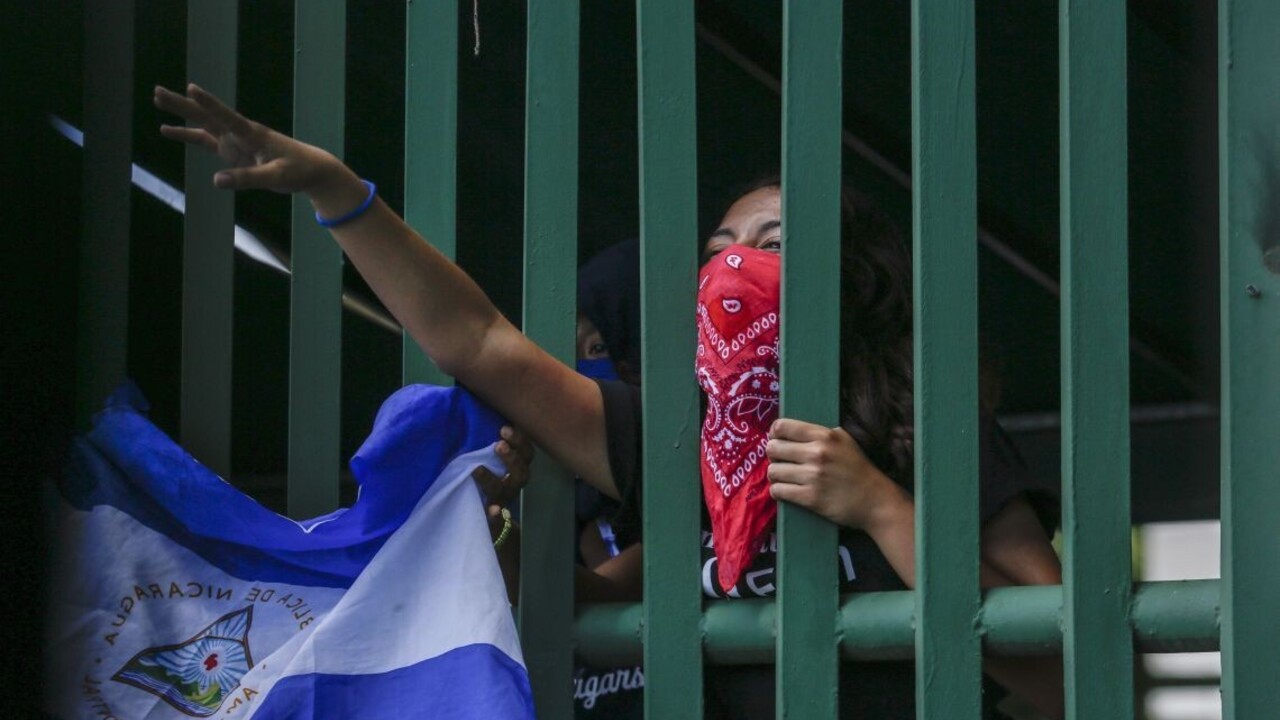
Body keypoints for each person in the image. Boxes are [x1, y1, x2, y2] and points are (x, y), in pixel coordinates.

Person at [154, 84, 1064, 719]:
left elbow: (1064, 673)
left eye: (773, 242)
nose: (734, 265)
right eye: (719, 247)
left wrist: (878, 504)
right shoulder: (685, 442)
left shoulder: (925, 431)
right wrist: (336, 192)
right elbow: (480, 344)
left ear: (849, 280)